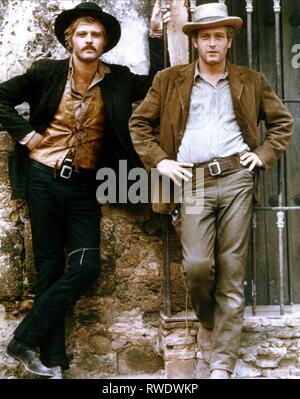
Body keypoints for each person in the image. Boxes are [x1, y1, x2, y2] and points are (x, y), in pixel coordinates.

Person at [0, 1, 170, 379]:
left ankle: (23, 339)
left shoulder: (120, 79)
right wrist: (27, 134)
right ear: (69, 40)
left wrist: (157, 35)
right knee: (48, 268)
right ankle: (55, 363)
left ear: (104, 42)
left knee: (85, 266)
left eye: (96, 34)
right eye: (82, 34)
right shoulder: (45, 72)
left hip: (85, 187)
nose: (89, 40)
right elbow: (0, 98)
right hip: (43, 179)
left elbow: (160, 82)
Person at [129, 3, 294, 379]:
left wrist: (263, 154)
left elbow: (282, 122)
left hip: (237, 178)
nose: (213, 43)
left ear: (229, 41)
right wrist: (160, 161)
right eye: (206, 36)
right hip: (194, 181)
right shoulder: (170, 80)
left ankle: (222, 364)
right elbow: (139, 123)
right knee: (198, 267)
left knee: (233, 270)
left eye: (219, 36)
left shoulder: (250, 80)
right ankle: (209, 320)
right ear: (196, 42)